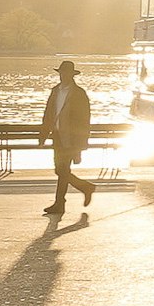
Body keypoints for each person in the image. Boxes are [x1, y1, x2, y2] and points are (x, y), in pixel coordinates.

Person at [42, 58, 95, 218]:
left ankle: (60, 203)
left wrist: (81, 144)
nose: (63, 76)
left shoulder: (79, 94)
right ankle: (84, 188)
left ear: (72, 75)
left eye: (66, 73)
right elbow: (48, 113)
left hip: (71, 139)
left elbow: (84, 120)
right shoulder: (55, 91)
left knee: (62, 169)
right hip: (57, 136)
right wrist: (43, 134)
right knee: (61, 170)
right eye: (61, 73)